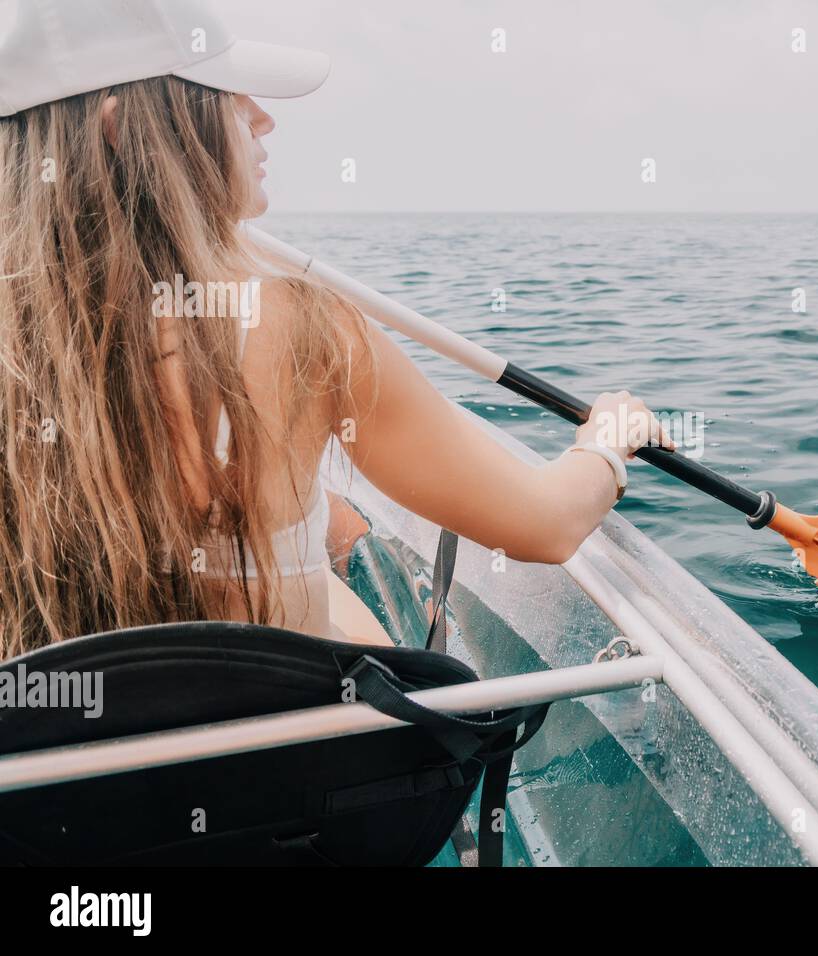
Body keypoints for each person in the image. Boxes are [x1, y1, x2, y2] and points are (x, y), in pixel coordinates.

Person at [0, 0, 667, 658]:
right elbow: (544, 525)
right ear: (120, 131)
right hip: (289, 757)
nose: (263, 117)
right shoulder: (295, 327)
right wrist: (607, 442)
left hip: (65, 758)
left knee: (329, 529)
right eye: (226, 97)